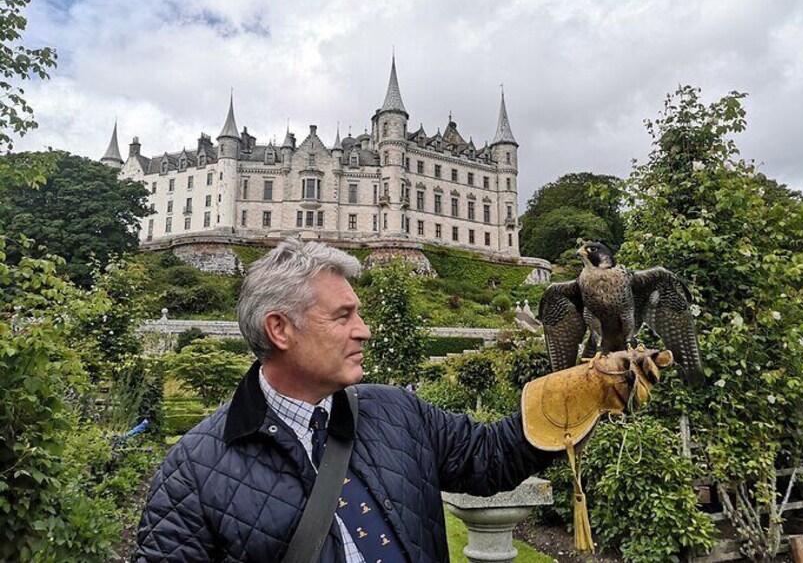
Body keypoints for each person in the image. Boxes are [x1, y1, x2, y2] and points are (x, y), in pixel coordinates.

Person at [135, 238, 659, 562]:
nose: (364, 331)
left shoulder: (395, 410)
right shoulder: (193, 470)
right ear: (280, 329)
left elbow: (491, 457)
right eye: (343, 317)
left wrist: (585, 387)